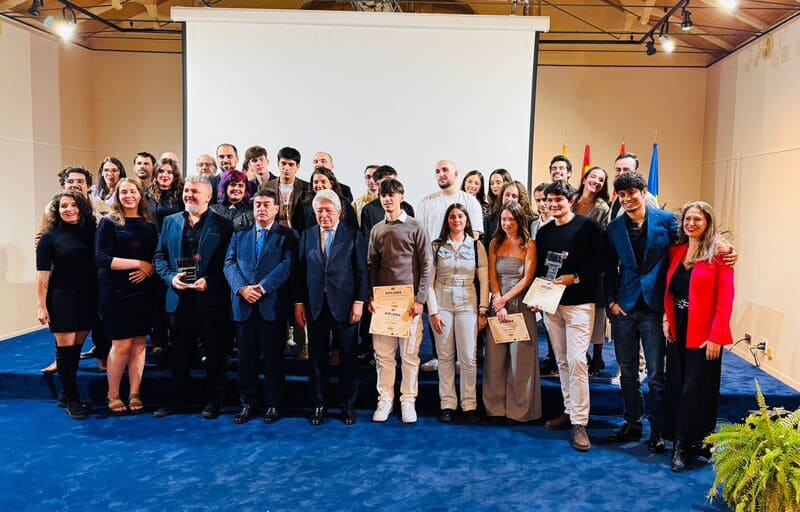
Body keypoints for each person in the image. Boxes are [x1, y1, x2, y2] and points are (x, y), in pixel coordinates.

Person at [604, 172, 736, 452]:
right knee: (627, 372)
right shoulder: (613, 228)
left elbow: (698, 234)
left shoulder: (666, 220)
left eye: (632, 193)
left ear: (643, 192)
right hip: (625, 308)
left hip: (654, 308)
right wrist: (612, 301)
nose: (627, 199)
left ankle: (658, 431)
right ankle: (632, 423)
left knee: (656, 375)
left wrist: (727, 248)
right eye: (622, 195)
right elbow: (609, 268)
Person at [152, 176, 234, 419]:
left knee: (214, 354)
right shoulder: (170, 221)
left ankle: (214, 401)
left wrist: (210, 281)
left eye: (195, 191)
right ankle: (178, 400)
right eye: (187, 190)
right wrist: (170, 278)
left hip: (210, 298)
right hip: (178, 298)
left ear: (208, 196)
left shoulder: (224, 225)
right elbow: (160, 257)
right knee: (179, 354)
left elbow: (229, 262)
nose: (188, 195)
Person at [662, 201, 734, 472]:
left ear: (708, 223)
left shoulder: (720, 254)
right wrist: (666, 318)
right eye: (687, 219)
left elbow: (726, 299)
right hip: (678, 327)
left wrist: (717, 336)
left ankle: (686, 444)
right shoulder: (677, 250)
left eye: (698, 219)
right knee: (678, 385)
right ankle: (685, 437)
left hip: (704, 333)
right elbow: (670, 290)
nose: (691, 224)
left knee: (697, 389)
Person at [534, 181, 604, 451]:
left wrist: (574, 278)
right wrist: (538, 298)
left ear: (571, 200)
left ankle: (580, 423)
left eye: (558, 200)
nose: (553, 205)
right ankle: (568, 410)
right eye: (549, 200)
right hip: (552, 305)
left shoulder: (589, 226)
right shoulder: (544, 231)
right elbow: (542, 269)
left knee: (577, 362)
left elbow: (601, 262)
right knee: (562, 360)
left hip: (579, 304)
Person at [293, 189, 368, 426]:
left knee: (348, 357)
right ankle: (319, 404)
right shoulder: (307, 235)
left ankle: (347, 406)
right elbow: (299, 272)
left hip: (346, 307)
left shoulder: (353, 235)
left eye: (328, 210)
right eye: (319, 211)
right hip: (315, 306)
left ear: (339, 211)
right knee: (317, 358)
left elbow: (362, 273)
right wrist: (299, 303)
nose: (324, 215)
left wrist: (359, 302)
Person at [224, 189, 298, 424]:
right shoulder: (240, 234)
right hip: (243, 304)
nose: (262, 209)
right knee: (246, 359)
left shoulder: (287, 235)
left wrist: (262, 288)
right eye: (258, 205)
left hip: (271, 305)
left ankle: (273, 404)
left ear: (276, 209)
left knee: (273, 359)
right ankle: (247, 403)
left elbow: (286, 266)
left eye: (267, 205)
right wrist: (242, 288)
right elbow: (229, 264)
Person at [35, 166, 111, 374]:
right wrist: (51, 257)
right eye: (70, 181)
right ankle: (62, 359)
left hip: (93, 276)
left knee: (97, 319)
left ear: (88, 186)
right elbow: (41, 236)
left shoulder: (101, 208)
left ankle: (102, 354)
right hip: (63, 277)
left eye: (80, 181)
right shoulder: (52, 208)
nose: (75, 185)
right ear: (64, 185)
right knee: (64, 326)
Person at [368, 179, 432, 424]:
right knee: (384, 356)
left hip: (409, 304)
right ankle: (385, 399)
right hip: (383, 304)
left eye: (392, 195)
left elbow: (427, 265)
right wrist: (371, 296)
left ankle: (408, 400)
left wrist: (420, 300)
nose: (387, 199)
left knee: (409, 355)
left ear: (401, 197)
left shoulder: (416, 226)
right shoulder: (377, 230)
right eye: (383, 195)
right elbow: (372, 266)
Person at [95, 177, 158, 415]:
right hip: (115, 291)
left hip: (143, 291)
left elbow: (155, 257)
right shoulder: (109, 223)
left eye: (133, 191)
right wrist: (139, 264)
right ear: (118, 196)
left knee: (140, 342)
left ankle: (134, 392)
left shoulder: (149, 224)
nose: (129, 196)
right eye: (124, 192)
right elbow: (101, 258)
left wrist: (149, 269)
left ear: (140, 194)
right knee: (121, 344)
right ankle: (113, 394)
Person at [416, 160, 484, 373]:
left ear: (456, 173)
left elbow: (474, 234)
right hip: (434, 264)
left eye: (445, 170)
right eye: (437, 171)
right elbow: (421, 236)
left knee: (464, 320)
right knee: (436, 311)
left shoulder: (470, 201)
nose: (441, 174)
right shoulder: (427, 202)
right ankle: (439, 357)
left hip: (462, 266)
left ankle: (461, 359)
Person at [36, 191, 97, 420]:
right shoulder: (49, 238)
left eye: (73, 205)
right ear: (57, 210)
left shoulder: (91, 233)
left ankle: (65, 394)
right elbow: (42, 275)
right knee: (65, 350)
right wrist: (41, 306)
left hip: (87, 296)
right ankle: (72, 399)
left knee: (76, 349)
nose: (69, 209)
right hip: (62, 298)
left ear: (82, 208)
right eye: (63, 206)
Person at [427, 203, 488, 423]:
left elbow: (484, 281)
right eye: (452, 217)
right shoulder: (436, 245)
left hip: (468, 304)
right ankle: (447, 404)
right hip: (442, 303)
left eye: (460, 216)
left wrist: (483, 310)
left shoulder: (477, 246)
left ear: (466, 219)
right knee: (445, 356)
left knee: (469, 357)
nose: (457, 220)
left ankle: (469, 404)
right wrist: (433, 311)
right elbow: (429, 282)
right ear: (447, 220)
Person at [483, 201, 540, 423]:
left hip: (520, 305)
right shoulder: (494, 243)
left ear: (520, 221)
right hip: (498, 306)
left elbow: (527, 279)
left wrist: (505, 299)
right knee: (495, 360)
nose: (507, 223)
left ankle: (518, 411)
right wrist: (498, 300)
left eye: (511, 220)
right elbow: (491, 274)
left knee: (520, 361)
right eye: (503, 219)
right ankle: (495, 408)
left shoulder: (529, 244)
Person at [573, 166, 611, 376]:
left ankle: (597, 356)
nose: (596, 181)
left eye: (601, 179)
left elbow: (603, 238)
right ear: (584, 178)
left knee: (597, 311)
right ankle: (581, 354)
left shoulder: (602, 207)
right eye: (593, 176)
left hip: (593, 266)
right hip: (569, 264)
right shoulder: (571, 200)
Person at [292, 167, 358, 233]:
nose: (319, 185)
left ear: (331, 183)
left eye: (323, 182)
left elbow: (353, 228)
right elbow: (297, 227)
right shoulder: (305, 205)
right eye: (316, 182)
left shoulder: (344, 203)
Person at [359, 165, 415, 238]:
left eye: (393, 181)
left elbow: (412, 235)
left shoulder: (407, 208)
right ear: (377, 183)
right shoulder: (368, 210)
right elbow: (366, 239)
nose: (390, 185)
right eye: (386, 182)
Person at [483, 181, 535, 250]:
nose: (510, 199)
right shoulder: (489, 220)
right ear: (502, 196)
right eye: (507, 195)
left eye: (514, 196)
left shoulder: (529, 221)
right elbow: (486, 247)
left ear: (520, 199)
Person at [607, 153, 659, 221]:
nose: (621, 173)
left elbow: (656, 223)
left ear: (636, 172)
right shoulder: (618, 196)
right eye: (618, 170)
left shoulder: (647, 198)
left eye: (626, 170)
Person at [145, 158, 185, 233]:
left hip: (176, 236)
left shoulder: (182, 194)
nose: (165, 175)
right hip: (152, 237)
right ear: (155, 173)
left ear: (174, 176)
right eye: (161, 171)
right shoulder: (147, 194)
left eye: (169, 172)